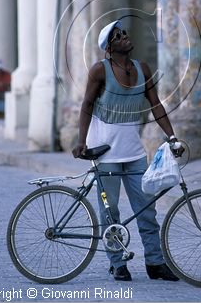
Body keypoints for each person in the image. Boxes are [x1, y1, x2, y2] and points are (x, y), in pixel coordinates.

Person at [73, 20, 184, 282]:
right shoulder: (100, 71)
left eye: (124, 33)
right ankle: (117, 263)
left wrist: (172, 136)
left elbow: (155, 104)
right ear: (109, 48)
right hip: (104, 154)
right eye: (118, 35)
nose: (125, 37)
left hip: (134, 154)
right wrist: (81, 141)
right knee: (110, 213)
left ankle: (155, 263)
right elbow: (87, 104)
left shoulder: (141, 68)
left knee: (147, 211)